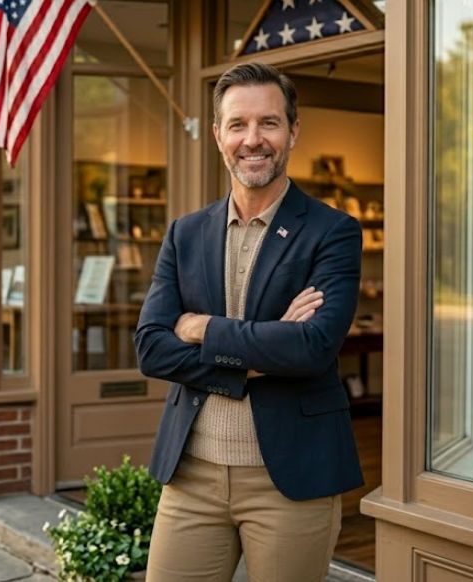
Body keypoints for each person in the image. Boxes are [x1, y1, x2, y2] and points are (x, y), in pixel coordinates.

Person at [134, 62, 364, 582]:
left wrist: (201, 328)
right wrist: (259, 353)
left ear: (293, 132)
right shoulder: (185, 233)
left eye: (269, 123)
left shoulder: (333, 232)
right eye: (238, 124)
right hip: (191, 473)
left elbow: (312, 348)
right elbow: (150, 348)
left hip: (290, 479)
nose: (252, 139)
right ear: (218, 135)